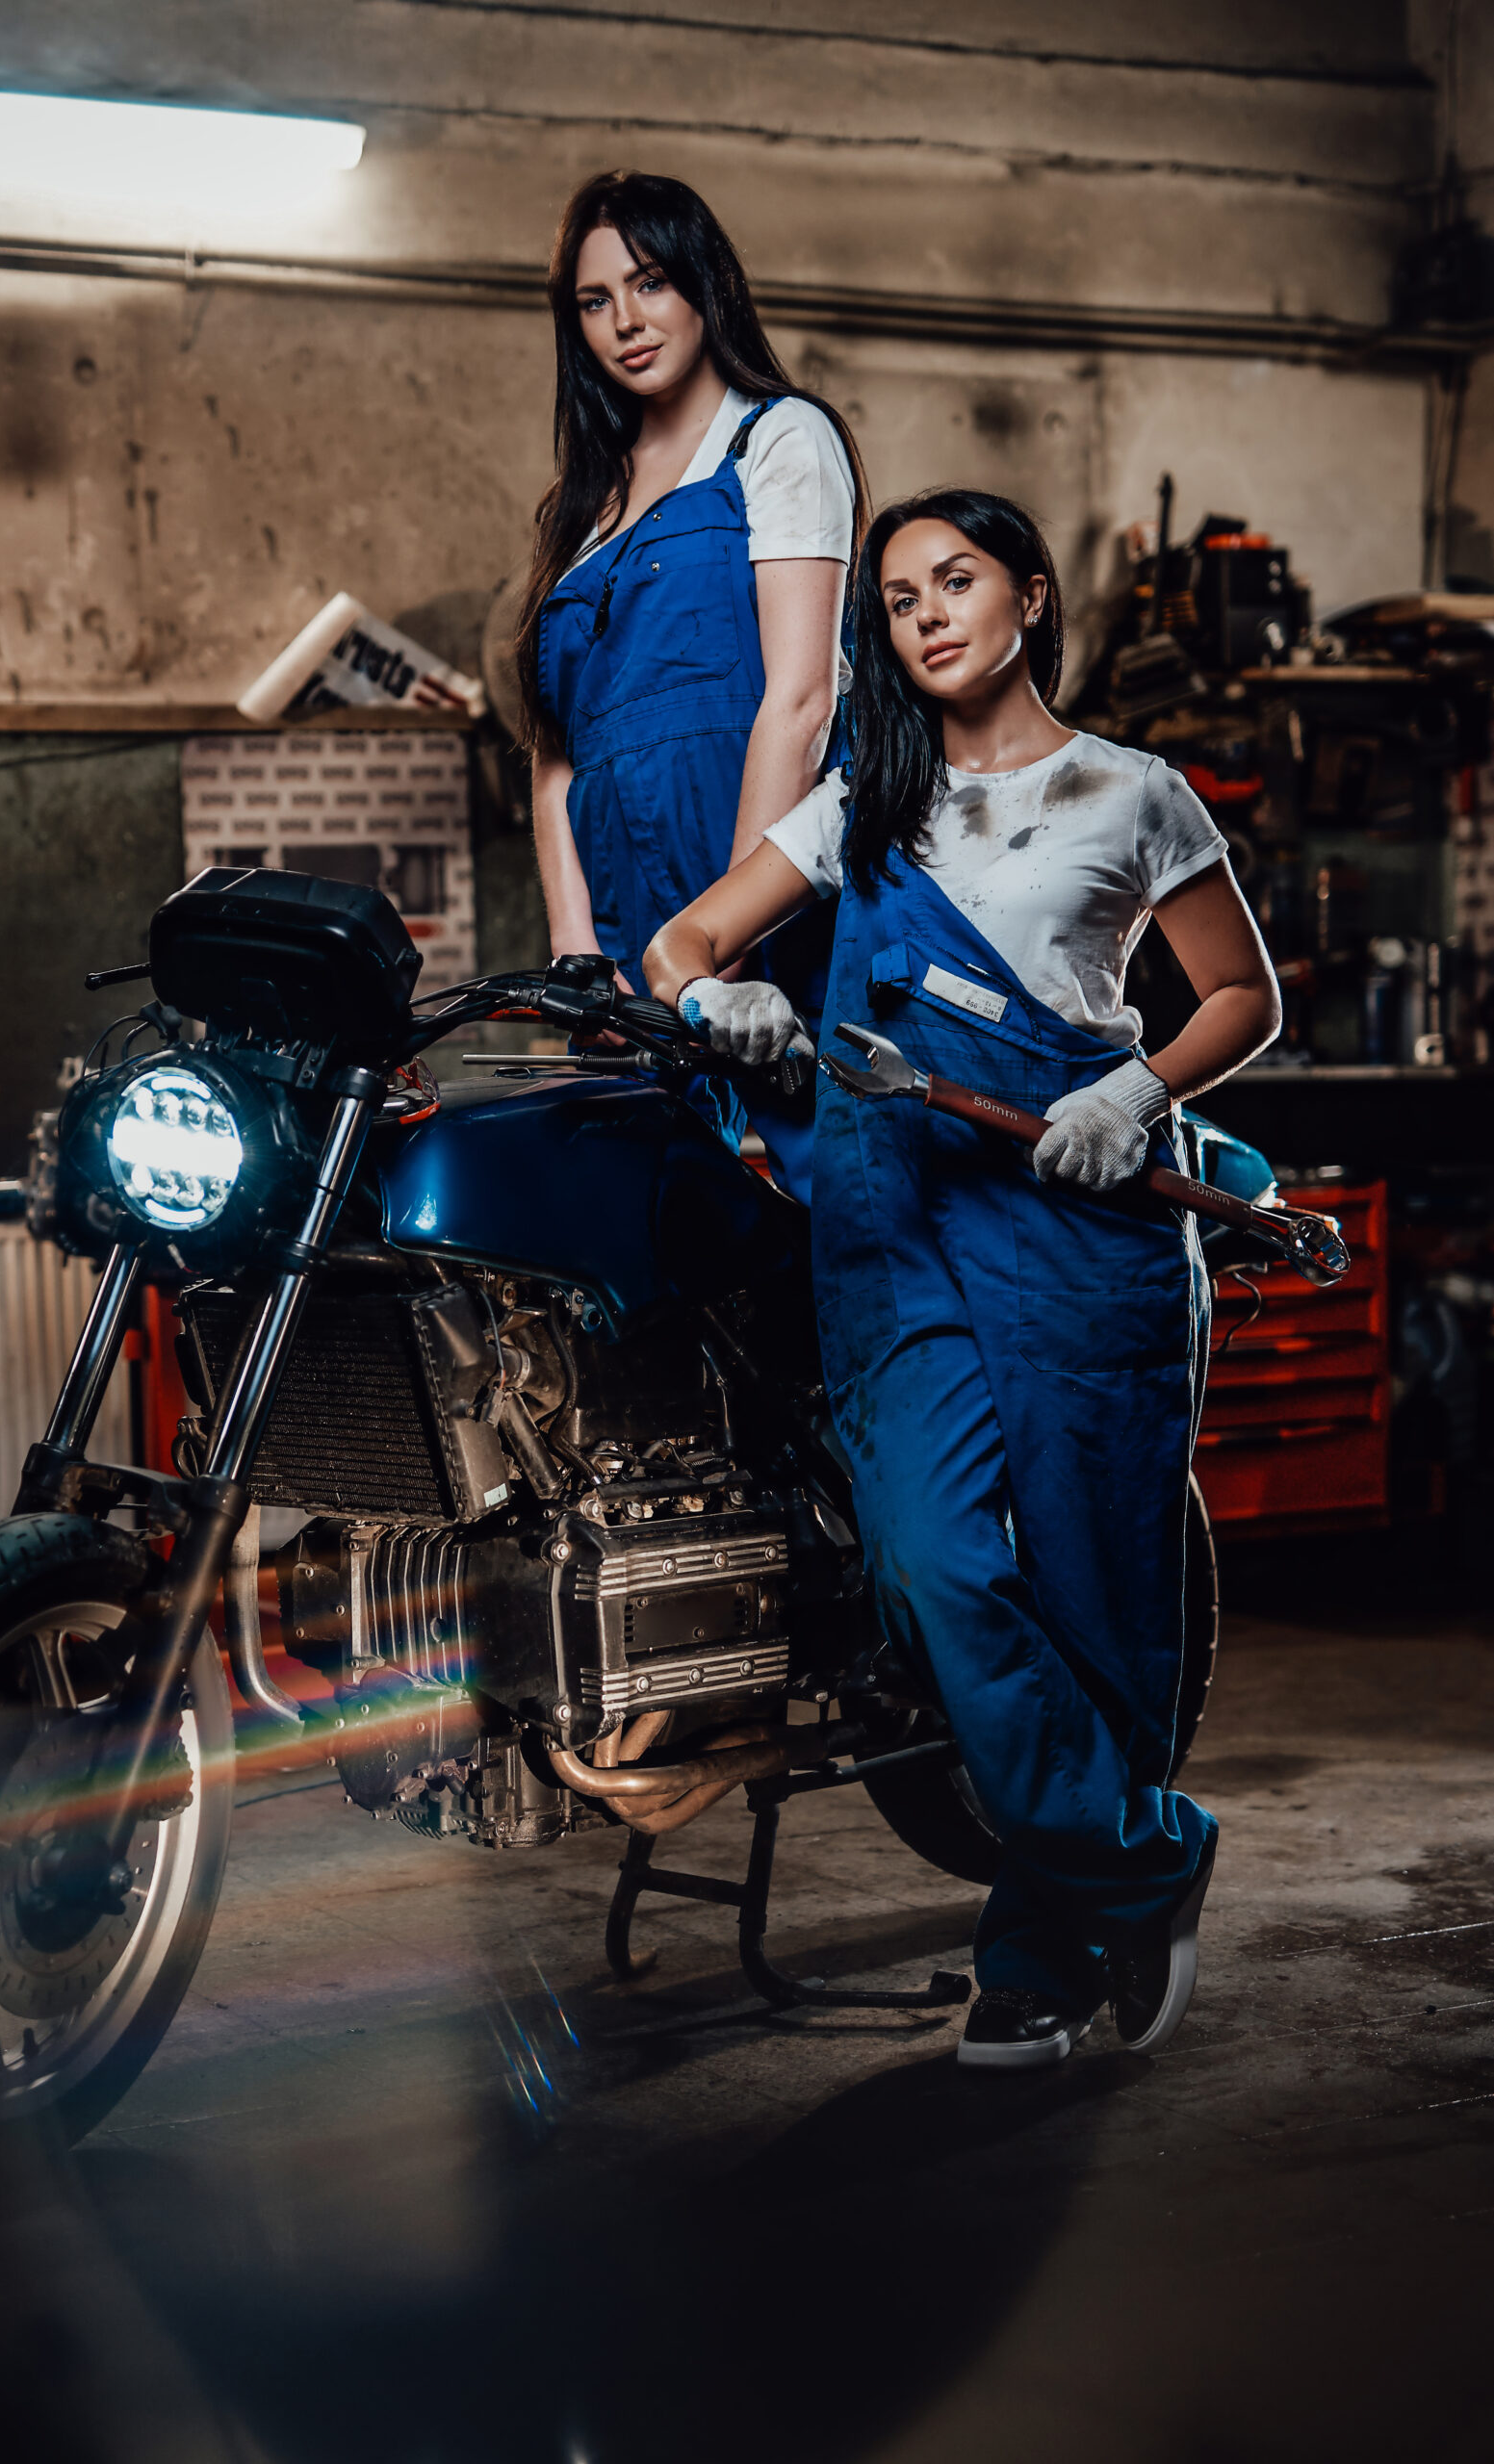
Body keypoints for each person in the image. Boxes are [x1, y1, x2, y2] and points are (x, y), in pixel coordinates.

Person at [643, 488, 1282, 2069]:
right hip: (897, 1233)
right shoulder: (864, 800)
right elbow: (681, 943)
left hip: (1079, 1234)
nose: (925, 612)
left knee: (1094, 1596)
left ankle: (1040, 1940)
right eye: (899, 595)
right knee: (932, 1569)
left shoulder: (1131, 793)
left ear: (1032, 599)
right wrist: (717, 1003)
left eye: (956, 579)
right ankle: (1137, 1859)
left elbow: (1236, 996)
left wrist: (1131, 1095)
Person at [516, 168, 863, 1196]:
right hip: (627, 938)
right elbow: (554, 764)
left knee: (839, 1203)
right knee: (640, 1237)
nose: (624, 320)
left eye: (650, 282)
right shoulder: (582, 510)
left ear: (703, 284)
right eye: (593, 300)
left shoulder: (777, 437)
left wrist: (724, 944)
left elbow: (798, 701)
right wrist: (579, 958)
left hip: (771, 906)